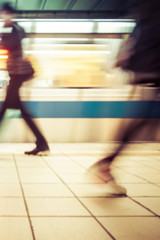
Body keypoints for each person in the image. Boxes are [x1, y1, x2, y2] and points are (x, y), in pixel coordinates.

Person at [87, 0, 160, 195]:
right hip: (153, 79)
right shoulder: (153, 19)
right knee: (140, 124)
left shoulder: (143, 22)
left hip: (144, 78)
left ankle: (107, 165)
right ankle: (106, 165)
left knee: (139, 124)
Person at [0, 2, 49, 157]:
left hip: (18, 74)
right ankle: (42, 143)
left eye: (2, 13)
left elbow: (12, 44)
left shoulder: (13, 29)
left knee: (3, 111)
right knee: (20, 111)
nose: (0, 16)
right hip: (16, 75)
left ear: (9, 13)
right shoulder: (13, 29)